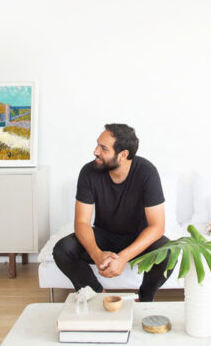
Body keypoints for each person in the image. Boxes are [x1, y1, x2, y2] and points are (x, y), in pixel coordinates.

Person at [52, 124, 170, 302]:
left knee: (168, 251)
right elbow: (82, 222)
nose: (96, 152)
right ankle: (97, 295)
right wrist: (97, 255)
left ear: (123, 154)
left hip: (137, 238)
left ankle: (145, 298)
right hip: (104, 235)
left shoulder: (147, 172)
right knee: (63, 249)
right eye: (97, 145)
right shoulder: (88, 172)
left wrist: (122, 258)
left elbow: (157, 227)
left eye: (103, 148)